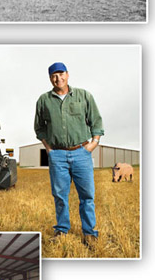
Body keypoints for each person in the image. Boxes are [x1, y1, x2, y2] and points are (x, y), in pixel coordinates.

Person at [34, 62, 104, 246]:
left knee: (87, 196)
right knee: (60, 196)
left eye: (61, 74)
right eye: (54, 76)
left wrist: (94, 143)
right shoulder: (44, 100)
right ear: (50, 78)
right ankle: (62, 230)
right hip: (57, 155)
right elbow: (39, 128)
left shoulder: (83, 96)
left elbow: (95, 120)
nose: (58, 78)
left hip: (81, 153)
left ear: (68, 74)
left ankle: (89, 233)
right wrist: (49, 149)